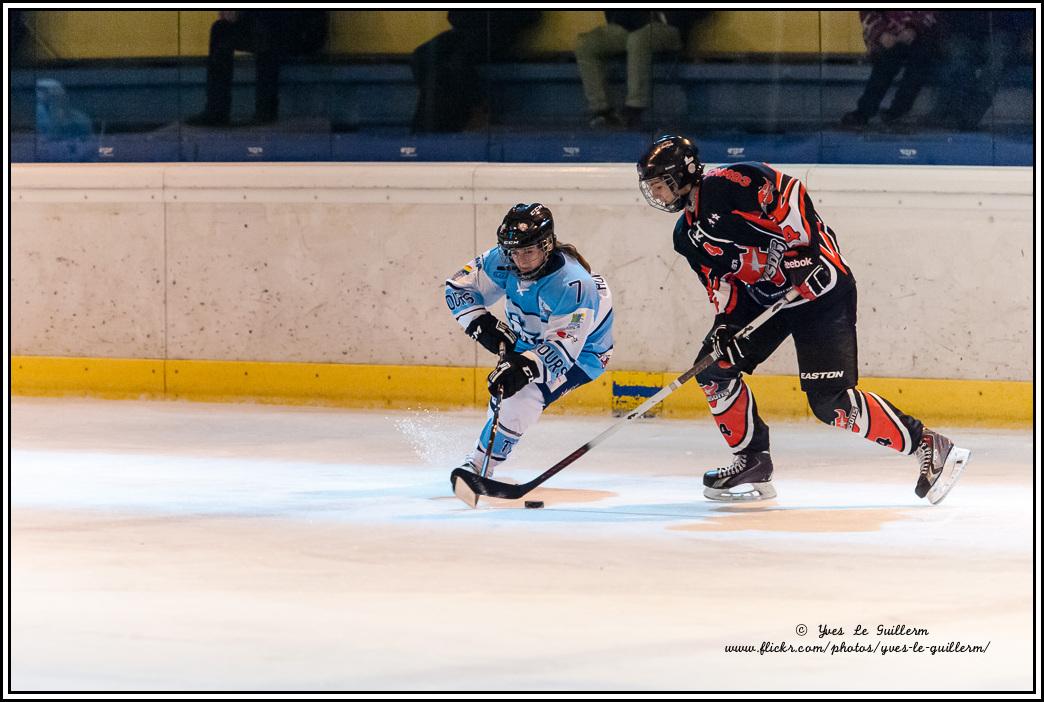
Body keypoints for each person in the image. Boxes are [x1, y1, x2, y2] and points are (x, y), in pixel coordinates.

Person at [635, 134, 971, 503]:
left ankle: (928, 443)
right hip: (767, 300)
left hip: (818, 292)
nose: (658, 195)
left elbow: (788, 193)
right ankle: (752, 459)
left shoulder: (725, 183)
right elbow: (720, 283)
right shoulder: (686, 236)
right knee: (714, 368)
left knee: (831, 403)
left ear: (685, 173)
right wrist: (726, 324)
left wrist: (800, 253)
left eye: (660, 185)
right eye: (651, 188)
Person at [444, 203, 614, 477]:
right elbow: (458, 288)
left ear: (547, 246)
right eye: (513, 251)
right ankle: (486, 453)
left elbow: (562, 351)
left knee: (522, 396)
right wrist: (482, 325)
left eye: (528, 251)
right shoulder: (503, 258)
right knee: (505, 400)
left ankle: (477, 467)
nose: (519, 260)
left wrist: (522, 368)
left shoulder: (573, 284)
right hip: (531, 341)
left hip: (583, 353)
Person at [185, 10, 327, 127]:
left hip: (303, 30)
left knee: (266, 26)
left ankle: (266, 110)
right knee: (221, 30)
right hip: (270, 24)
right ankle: (216, 111)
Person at [411, 10, 541, 133]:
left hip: (500, 32)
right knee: (421, 56)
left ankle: (477, 109)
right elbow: (454, 16)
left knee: (458, 61)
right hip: (467, 32)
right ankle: (429, 125)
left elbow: (530, 15)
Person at [576, 11, 706, 129]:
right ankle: (601, 110)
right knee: (587, 44)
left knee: (638, 39)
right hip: (629, 24)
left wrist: (667, 17)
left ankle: (634, 108)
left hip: (668, 26)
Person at [840, 11, 937, 128]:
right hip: (889, 36)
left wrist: (914, 28)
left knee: (920, 59)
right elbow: (868, 12)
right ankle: (864, 111)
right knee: (886, 61)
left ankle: (898, 111)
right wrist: (881, 34)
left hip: (922, 36)